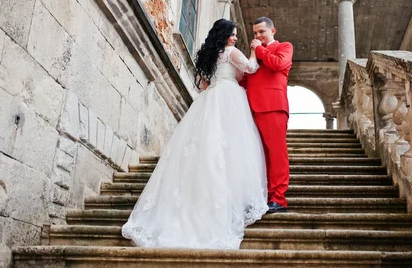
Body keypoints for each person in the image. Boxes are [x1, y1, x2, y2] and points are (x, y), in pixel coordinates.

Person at [121, 19, 268, 249]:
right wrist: (253, 51)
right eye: (233, 34)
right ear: (225, 35)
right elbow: (251, 68)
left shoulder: (210, 54)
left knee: (206, 148)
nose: (236, 38)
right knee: (228, 148)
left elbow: (202, 86)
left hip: (211, 99)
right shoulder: (231, 52)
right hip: (229, 98)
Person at [242, 17, 293, 213]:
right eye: (255, 33)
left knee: (277, 154)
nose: (257, 36)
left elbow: (278, 65)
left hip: (273, 106)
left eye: (261, 32)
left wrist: (259, 50)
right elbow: (246, 79)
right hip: (252, 108)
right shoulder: (255, 54)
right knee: (260, 155)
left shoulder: (284, 47)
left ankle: (278, 198)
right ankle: (262, 196)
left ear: (273, 31)